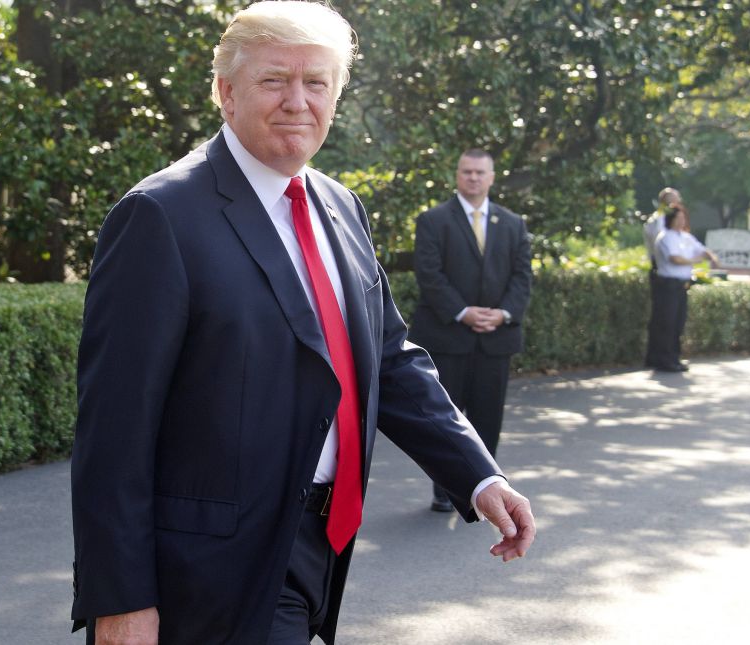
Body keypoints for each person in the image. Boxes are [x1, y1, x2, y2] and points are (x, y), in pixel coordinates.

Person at [70, 3, 536, 643]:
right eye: (274, 81)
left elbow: (388, 357)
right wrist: (120, 601)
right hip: (208, 570)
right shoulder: (160, 216)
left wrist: (478, 475)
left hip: (320, 546)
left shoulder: (339, 206)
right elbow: (113, 430)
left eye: (316, 83)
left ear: (336, 97)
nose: (297, 101)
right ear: (226, 93)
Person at [407, 149, 532, 512]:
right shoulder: (433, 220)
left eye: (480, 172)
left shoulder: (512, 224)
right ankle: (445, 490)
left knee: (488, 417)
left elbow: (522, 276)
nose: (473, 178)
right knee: (447, 419)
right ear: (457, 176)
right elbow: (429, 275)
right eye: (467, 172)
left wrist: (504, 313)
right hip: (448, 338)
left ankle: (485, 489)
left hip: (495, 339)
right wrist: (462, 312)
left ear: (492, 177)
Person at [645, 205, 718, 372]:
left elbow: (702, 250)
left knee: (678, 323)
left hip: (682, 285)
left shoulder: (685, 237)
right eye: (678, 218)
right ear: (671, 219)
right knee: (666, 323)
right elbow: (675, 259)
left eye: (683, 218)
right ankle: (663, 359)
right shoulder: (665, 237)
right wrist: (695, 260)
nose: (681, 222)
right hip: (668, 285)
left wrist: (711, 257)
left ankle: (674, 357)